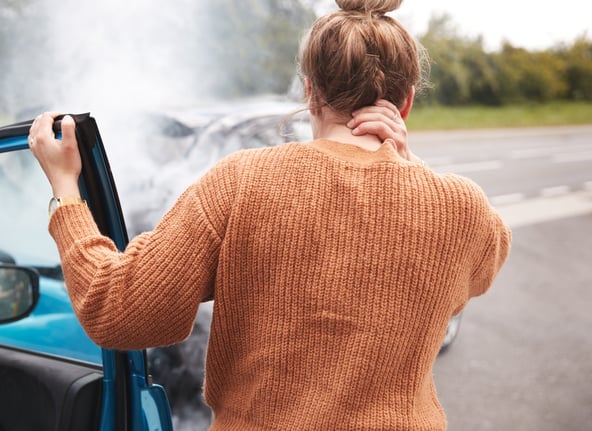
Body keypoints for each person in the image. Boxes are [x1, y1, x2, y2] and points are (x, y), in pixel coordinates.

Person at [28, 0, 511, 429]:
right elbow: (488, 262)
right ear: (405, 103)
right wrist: (408, 165)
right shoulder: (461, 207)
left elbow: (119, 311)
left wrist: (66, 192)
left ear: (309, 92)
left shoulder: (241, 181)